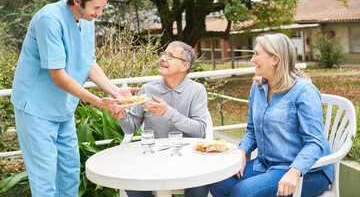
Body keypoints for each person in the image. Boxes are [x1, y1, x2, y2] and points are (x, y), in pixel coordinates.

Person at [11, 0, 139, 197]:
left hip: (63, 108)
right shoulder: (49, 19)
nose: (99, 13)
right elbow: (58, 75)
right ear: (77, 0)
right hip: (36, 109)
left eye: (102, 7)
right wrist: (100, 102)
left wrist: (115, 91)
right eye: (96, 8)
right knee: (45, 179)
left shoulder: (86, 20)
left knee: (69, 172)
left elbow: (88, 62)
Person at [208, 33, 333, 197]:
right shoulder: (258, 87)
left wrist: (294, 171)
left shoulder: (303, 90)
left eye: (257, 54)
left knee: (243, 192)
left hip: (307, 171)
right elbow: (252, 130)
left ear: (275, 59)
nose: (252, 59)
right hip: (266, 164)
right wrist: (242, 152)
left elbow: (315, 142)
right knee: (218, 182)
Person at [111, 41, 209, 197]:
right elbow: (131, 127)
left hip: (187, 157)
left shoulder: (197, 90)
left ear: (185, 66)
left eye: (170, 56)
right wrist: (122, 116)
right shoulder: (148, 89)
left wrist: (167, 112)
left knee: (200, 186)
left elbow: (198, 131)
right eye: (164, 54)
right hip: (152, 156)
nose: (163, 58)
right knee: (133, 184)